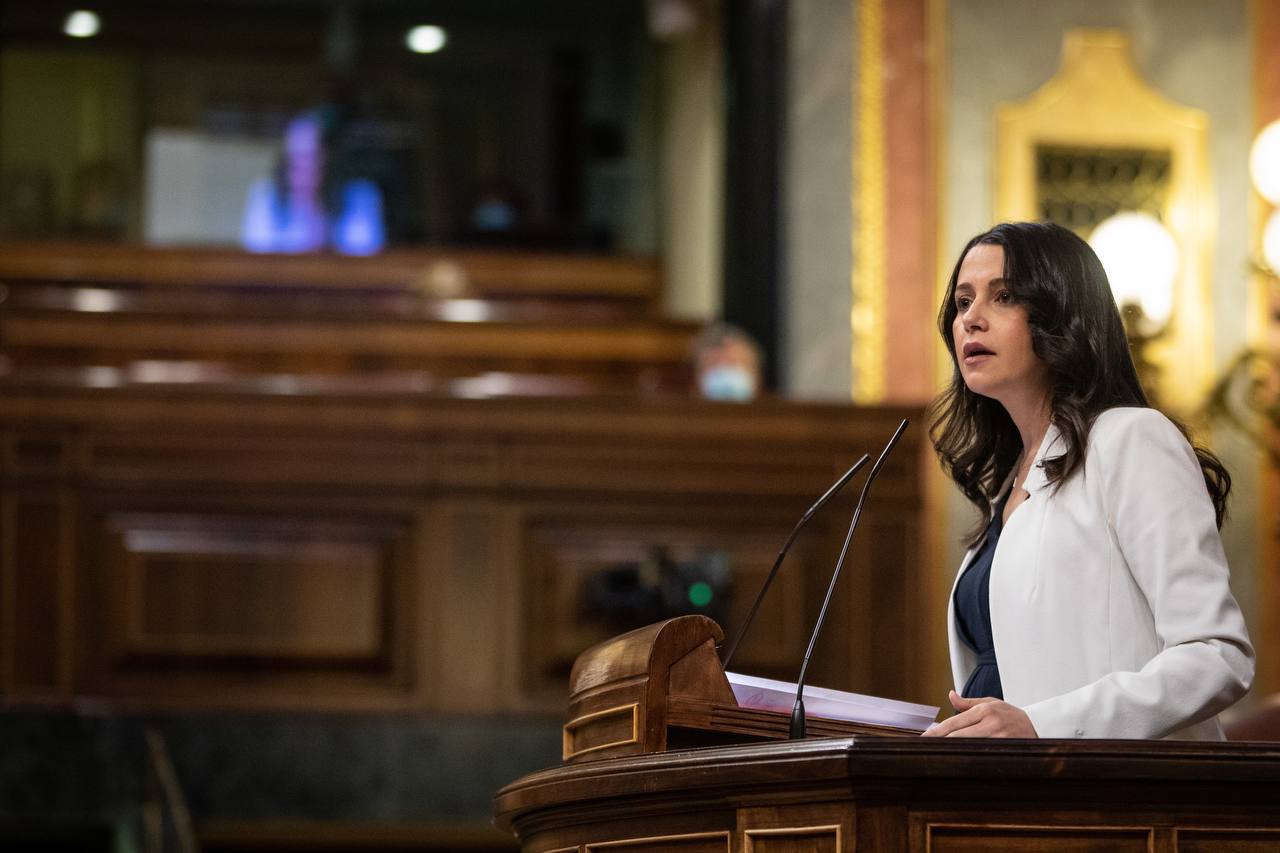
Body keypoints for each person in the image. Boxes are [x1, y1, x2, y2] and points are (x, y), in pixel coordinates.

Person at [922, 221, 1254, 740]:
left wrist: (1042, 725)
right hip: (1003, 795)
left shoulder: (1130, 440)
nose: (971, 320)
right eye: (963, 303)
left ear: (1062, 315)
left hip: (1108, 802)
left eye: (1003, 296)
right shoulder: (1009, 481)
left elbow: (1217, 657)